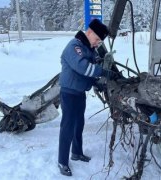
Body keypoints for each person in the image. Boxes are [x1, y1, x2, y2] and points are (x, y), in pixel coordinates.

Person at [58, 19, 118, 176]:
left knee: (79, 125)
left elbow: (89, 71)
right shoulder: (74, 46)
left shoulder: (88, 48)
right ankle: (62, 161)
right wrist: (103, 72)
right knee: (68, 127)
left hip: (79, 94)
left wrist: (97, 82)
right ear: (89, 32)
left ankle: (76, 153)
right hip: (69, 94)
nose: (98, 43)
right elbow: (84, 68)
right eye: (97, 39)